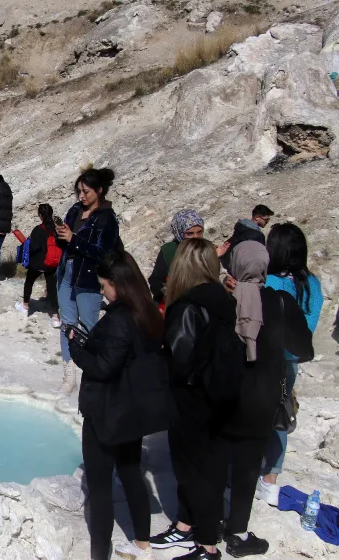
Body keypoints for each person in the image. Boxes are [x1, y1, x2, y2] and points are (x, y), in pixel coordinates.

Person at [216, 241, 312, 557]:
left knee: (218, 461)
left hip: (224, 394)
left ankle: (212, 522)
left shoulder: (223, 300)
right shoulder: (280, 302)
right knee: (246, 468)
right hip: (262, 396)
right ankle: (238, 535)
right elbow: (305, 349)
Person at [68, 250, 164, 560]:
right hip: (132, 411)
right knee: (131, 473)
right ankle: (143, 544)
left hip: (106, 413)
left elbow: (104, 368)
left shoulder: (119, 319)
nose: (101, 291)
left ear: (117, 284)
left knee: (99, 488)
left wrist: (76, 349)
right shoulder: (147, 312)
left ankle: (99, 554)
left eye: (103, 285)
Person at [150, 238, 242, 560]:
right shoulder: (222, 299)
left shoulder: (188, 305)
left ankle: (207, 546)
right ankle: (185, 526)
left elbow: (178, 357)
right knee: (204, 466)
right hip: (215, 395)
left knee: (194, 470)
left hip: (190, 399)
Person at [256, 223, 322, 507]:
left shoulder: (268, 282)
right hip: (290, 362)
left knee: (255, 415)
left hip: (262, 360)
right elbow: (309, 324)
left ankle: (246, 468)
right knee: (280, 418)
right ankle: (270, 480)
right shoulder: (312, 284)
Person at [54, 168, 120, 394]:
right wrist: (61, 235)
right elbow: (65, 243)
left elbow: (105, 253)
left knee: (88, 327)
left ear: (100, 191)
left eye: (86, 192)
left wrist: (75, 240)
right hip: (67, 271)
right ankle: (69, 376)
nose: (81, 196)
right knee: (67, 324)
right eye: (79, 191)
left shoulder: (107, 218)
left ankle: (92, 377)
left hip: (90, 277)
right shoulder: (74, 211)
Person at [15, 204, 61, 327]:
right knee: (52, 288)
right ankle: (56, 317)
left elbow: (33, 247)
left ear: (40, 215)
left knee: (29, 281)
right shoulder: (56, 229)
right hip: (52, 263)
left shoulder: (38, 229)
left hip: (38, 263)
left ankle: (25, 306)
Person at [149, 209, 204, 304]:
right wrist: (166, 292)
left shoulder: (206, 249)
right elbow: (156, 280)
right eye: (190, 233)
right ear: (179, 232)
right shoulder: (169, 251)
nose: (196, 237)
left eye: (199, 232)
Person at [218, 205, 273, 271]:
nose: (267, 222)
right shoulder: (257, 235)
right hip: (244, 269)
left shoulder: (240, 226)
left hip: (231, 264)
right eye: (266, 220)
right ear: (257, 217)